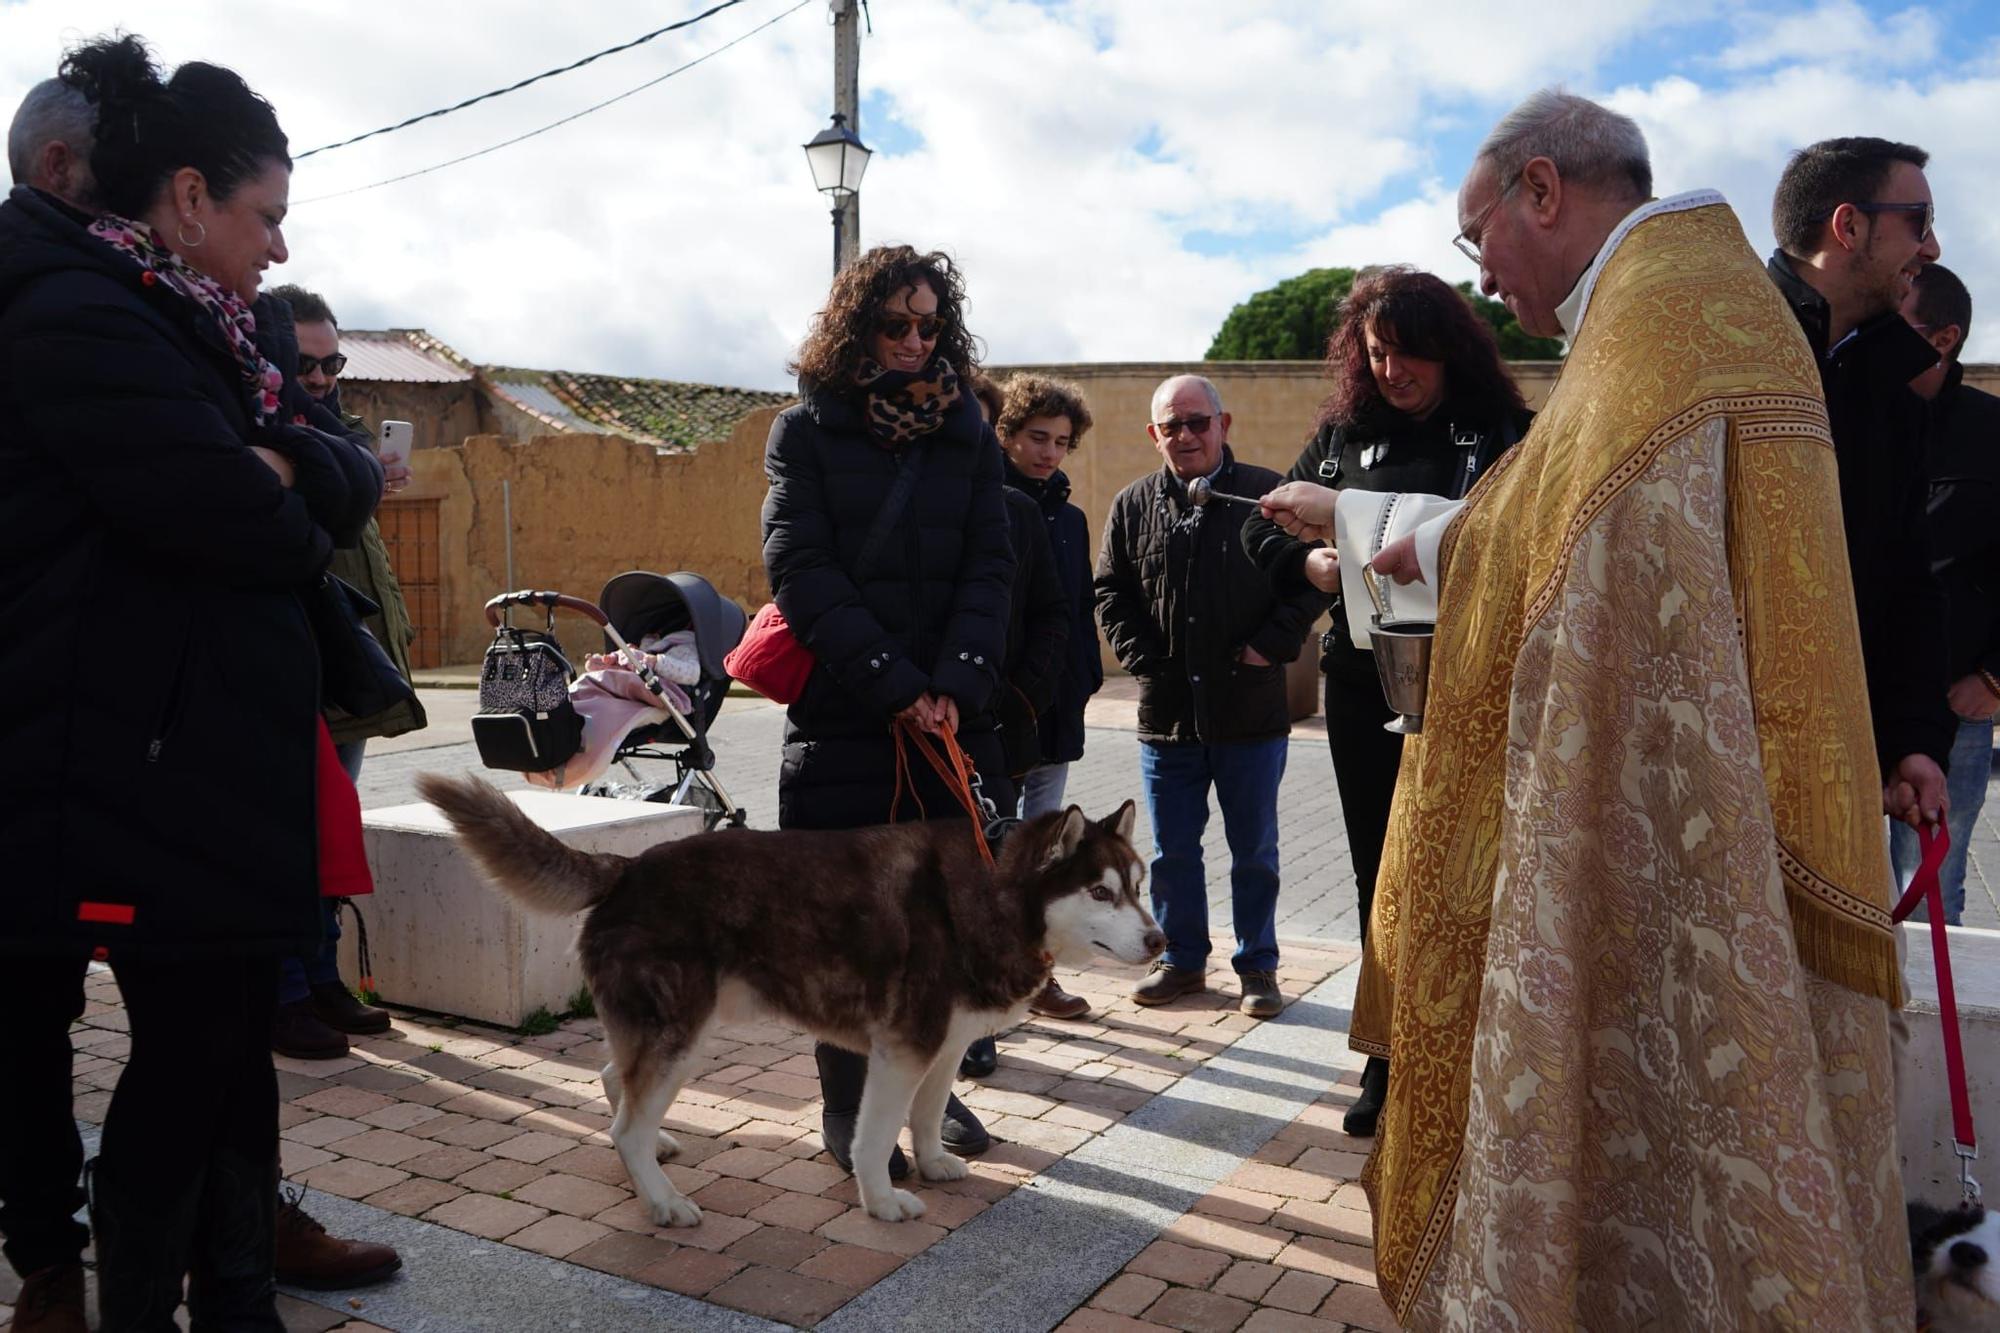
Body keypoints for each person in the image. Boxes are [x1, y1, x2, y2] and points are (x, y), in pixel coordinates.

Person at [1272, 90, 1908, 1326]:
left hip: (1678, 843)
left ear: (1542, 190)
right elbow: (1566, 519)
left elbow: (1594, 539)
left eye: (1479, 238)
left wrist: (1411, 541)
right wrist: (1440, 541)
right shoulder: (1663, 314)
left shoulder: (1665, 323)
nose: (1488, 273)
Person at [0, 35, 385, 1330]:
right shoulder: (76, 311)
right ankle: (112, 1298)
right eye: (264, 217)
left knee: (226, 1046)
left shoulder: (212, 321)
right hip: (134, 762)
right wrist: (276, 478)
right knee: (181, 1057)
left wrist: (287, 467)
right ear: (185, 198)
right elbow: (243, 520)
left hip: (207, 755)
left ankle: (235, 1303)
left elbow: (339, 468)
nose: (279, 248)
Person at [1246, 267, 1529, 1136]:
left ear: (1449, 349)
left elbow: (1507, 533)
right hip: (1365, 683)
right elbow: (1264, 524)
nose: (1394, 370)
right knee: (1380, 868)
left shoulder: (1503, 430)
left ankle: (1475, 1047)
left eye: (1409, 352)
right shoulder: (1342, 433)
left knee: (1468, 870)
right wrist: (1309, 563)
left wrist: (1346, 516)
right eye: (1377, 354)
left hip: (1469, 684)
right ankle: (1384, 1053)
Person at [760, 244, 1014, 1175]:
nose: (914, 340)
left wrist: (956, 678)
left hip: (952, 718)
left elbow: (993, 562)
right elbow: (801, 570)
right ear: (856, 326)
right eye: (894, 323)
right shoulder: (803, 431)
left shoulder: (970, 432)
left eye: (928, 323)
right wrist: (894, 681)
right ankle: (846, 1108)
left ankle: (926, 1103)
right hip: (846, 718)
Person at [1094, 375, 1327, 1019]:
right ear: (1154, 435)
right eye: (1172, 426)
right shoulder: (1132, 503)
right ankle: (1183, 961)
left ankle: (1258, 967)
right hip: (1167, 715)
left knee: (1255, 851)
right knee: (1171, 853)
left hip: (1249, 709)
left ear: (1225, 424)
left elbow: (1310, 583)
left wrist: (1268, 647)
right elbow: (1110, 591)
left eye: (1198, 422)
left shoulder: (1266, 495)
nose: (1186, 435)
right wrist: (1145, 662)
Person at [1767, 137, 1954, 832]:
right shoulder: (1713, 354)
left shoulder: (1895, 392)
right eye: (1919, 221)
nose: (1931, 248)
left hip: (1838, 778)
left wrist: (1913, 739)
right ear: (1849, 227)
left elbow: (1908, 580)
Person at [263, 282, 425, 1062]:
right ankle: (287, 991)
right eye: (306, 363)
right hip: (299, 658)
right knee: (289, 834)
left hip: (344, 662)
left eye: (333, 362)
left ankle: (321, 978)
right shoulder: (271, 435)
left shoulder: (337, 432)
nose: (322, 377)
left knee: (330, 830)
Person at [957, 370, 1070, 1076]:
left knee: (985, 877)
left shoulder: (1015, 512)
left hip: (989, 733)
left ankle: (974, 1025)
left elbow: (1053, 617)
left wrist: (1013, 699)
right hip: (903, 727)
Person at [1890, 263, 2000, 923]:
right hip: (1853, 702)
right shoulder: (1852, 419)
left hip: (1955, 709)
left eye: (1892, 327)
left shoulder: (1993, 431)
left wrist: (1993, 676)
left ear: (1942, 338)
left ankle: (1936, 1030)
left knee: (1933, 893)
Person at [997, 373, 1103, 1021]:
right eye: (1037, 437)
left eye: (1062, 441)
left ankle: (1038, 978)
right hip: (1004, 711)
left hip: (1058, 710)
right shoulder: (989, 506)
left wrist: (1086, 679)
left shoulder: (1071, 517)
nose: (1049, 452)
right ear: (1006, 434)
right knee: (999, 851)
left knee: (1049, 854)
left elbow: (1079, 609)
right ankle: (993, 978)